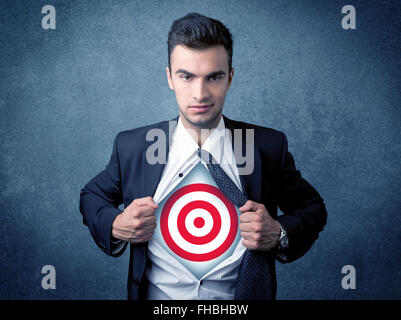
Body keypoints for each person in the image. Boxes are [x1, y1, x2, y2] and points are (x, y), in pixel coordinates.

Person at [79, 12, 327, 300]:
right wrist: (115, 223)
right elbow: (91, 196)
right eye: (186, 76)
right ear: (170, 77)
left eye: (214, 77)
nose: (200, 93)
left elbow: (313, 208)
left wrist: (279, 232)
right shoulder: (135, 146)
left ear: (230, 78)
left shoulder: (266, 146)